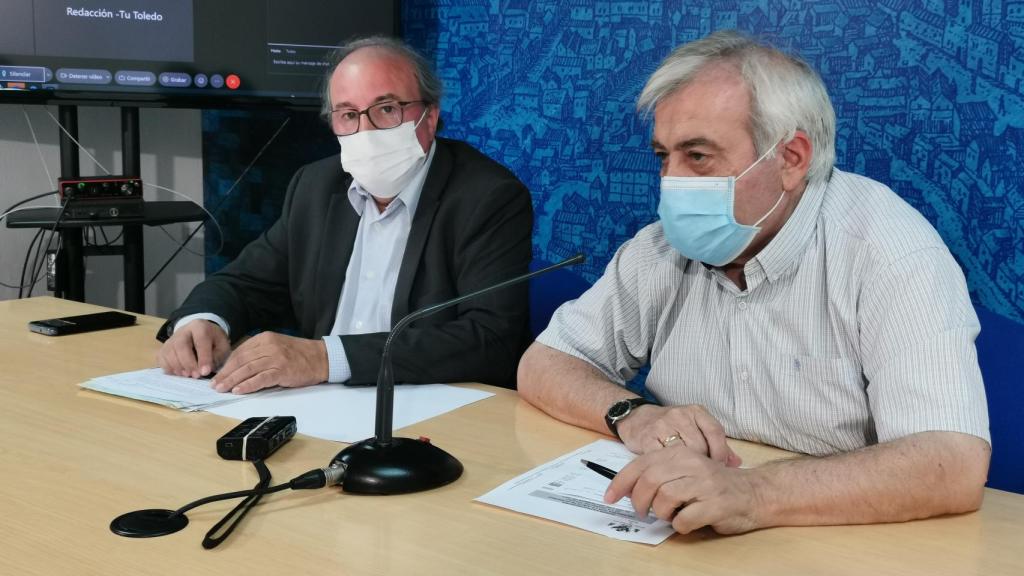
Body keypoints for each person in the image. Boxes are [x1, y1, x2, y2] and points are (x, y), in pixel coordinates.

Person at [518, 30, 990, 535]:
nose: (671, 183)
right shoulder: (660, 248)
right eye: (663, 157)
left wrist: (752, 493)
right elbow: (544, 364)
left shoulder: (890, 250)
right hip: (685, 535)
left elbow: (953, 464)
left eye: (697, 156)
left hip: (842, 540)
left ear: (790, 159)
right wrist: (632, 414)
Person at [157, 36, 532, 393]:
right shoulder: (316, 186)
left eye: (387, 109)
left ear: (429, 117)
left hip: (433, 410)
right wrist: (203, 320)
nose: (365, 130)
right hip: (318, 405)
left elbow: (490, 340)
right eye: (348, 114)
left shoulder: (487, 197)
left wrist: (325, 359)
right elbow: (246, 283)